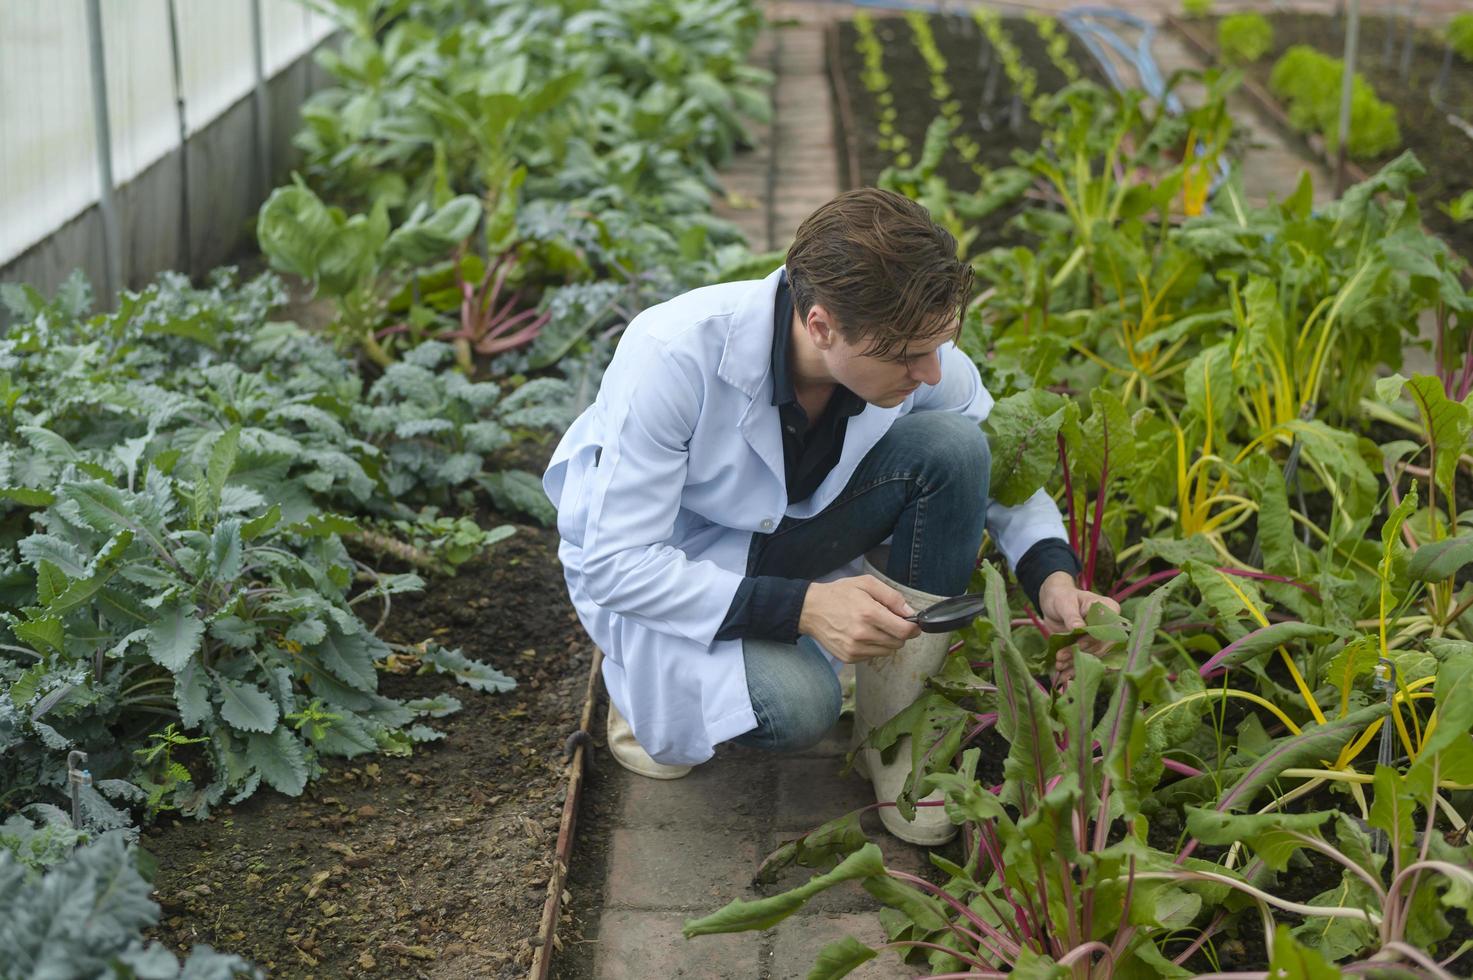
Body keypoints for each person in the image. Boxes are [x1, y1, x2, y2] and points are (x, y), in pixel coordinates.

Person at [542, 188, 1117, 844]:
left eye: (940, 345)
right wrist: (805, 609)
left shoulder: (911, 352)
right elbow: (617, 566)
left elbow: (1003, 465)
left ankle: (896, 735)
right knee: (800, 705)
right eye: (906, 356)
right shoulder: (672, 355)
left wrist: (1052, 575)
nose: (930, 372)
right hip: (680, 562)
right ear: (820, 327)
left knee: (956, 448)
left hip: (785, 534)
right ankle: (640, 692)